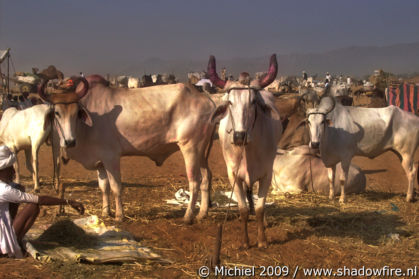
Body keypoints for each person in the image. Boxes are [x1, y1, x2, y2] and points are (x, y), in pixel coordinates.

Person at [0, 145, 84, 258]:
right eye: (10, 168)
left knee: (18, 191)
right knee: (32, 206)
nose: (14, 171)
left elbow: (18, 189)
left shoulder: (6, 187)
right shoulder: (5, 190)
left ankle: (12, 239)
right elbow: (40, 200)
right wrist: (69, 202)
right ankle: (15, 242)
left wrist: (18, 188)